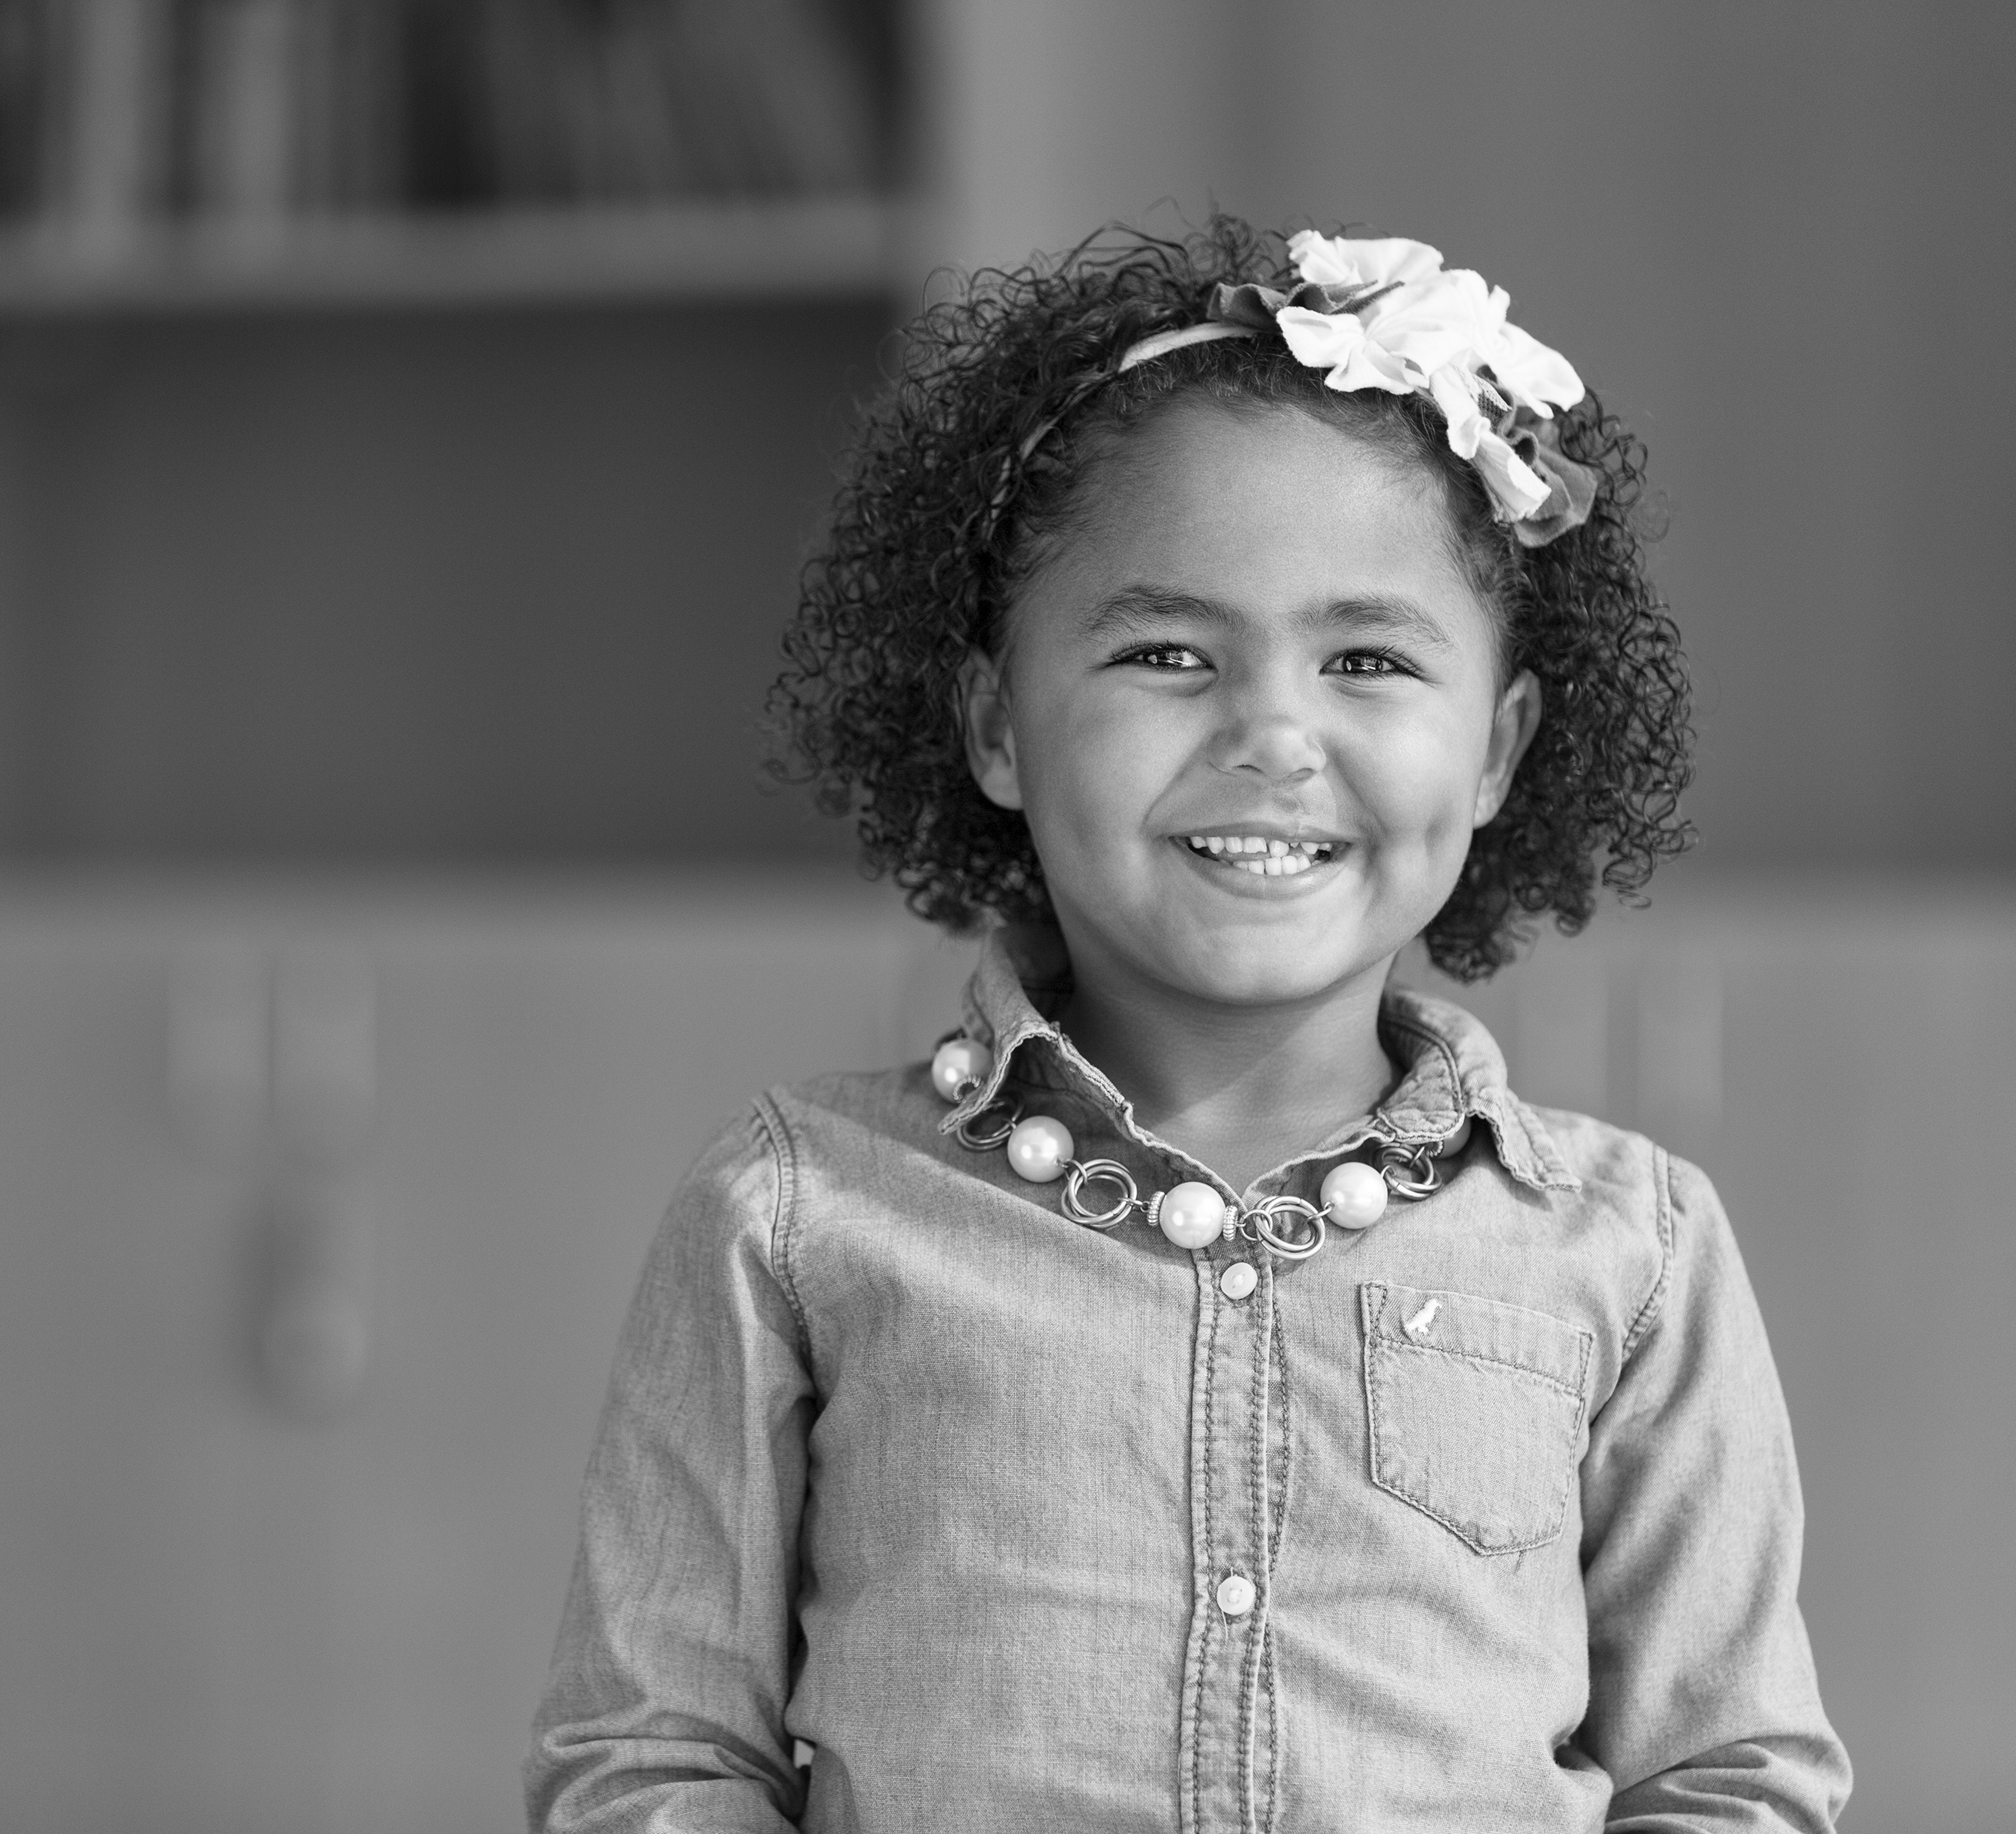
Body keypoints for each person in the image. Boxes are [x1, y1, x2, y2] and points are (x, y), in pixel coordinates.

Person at [527, 214, 1848, 1832]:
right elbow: (655, 1760)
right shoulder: (796, 1218)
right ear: (999, 727)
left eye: (1368, 658)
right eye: (1165, 653)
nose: (1274, 737)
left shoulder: (1634, 1254)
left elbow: (1727, 1775)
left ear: (1496, 755)